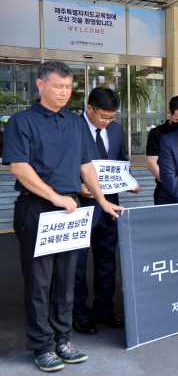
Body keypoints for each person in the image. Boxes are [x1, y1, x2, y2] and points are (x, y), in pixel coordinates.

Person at [2, 61, 124, 372]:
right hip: (37, 208)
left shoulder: (74, 123)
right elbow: (19, 166)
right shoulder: (21, 121)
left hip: (72, 210)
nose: (64, 92)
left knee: (66, 278)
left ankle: (62, 339)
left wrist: (102, 201)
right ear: (41, 85)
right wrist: (55, 196)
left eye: (69, 87)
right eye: (58, 86)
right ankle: (42, 345)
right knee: (40, 281)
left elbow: (86, 166)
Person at [73, 88, 140, 336]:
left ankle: (104, 310)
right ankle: (79, 314)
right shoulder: (72, 126)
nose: (108, 121)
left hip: (110, 205)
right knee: (77, 264)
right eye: (103, 116)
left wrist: (129, 181)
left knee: (107, 262)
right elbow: (61, 163)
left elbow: (120, 164)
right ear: (88, 107)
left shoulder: (116, 130)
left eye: (112, 117)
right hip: (78, 207)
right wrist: (76, 186)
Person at [146, 95, 178, 204]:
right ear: (169, 113)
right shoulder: (156, 133)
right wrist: (172, 184)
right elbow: (152, 164)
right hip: (165, 189)